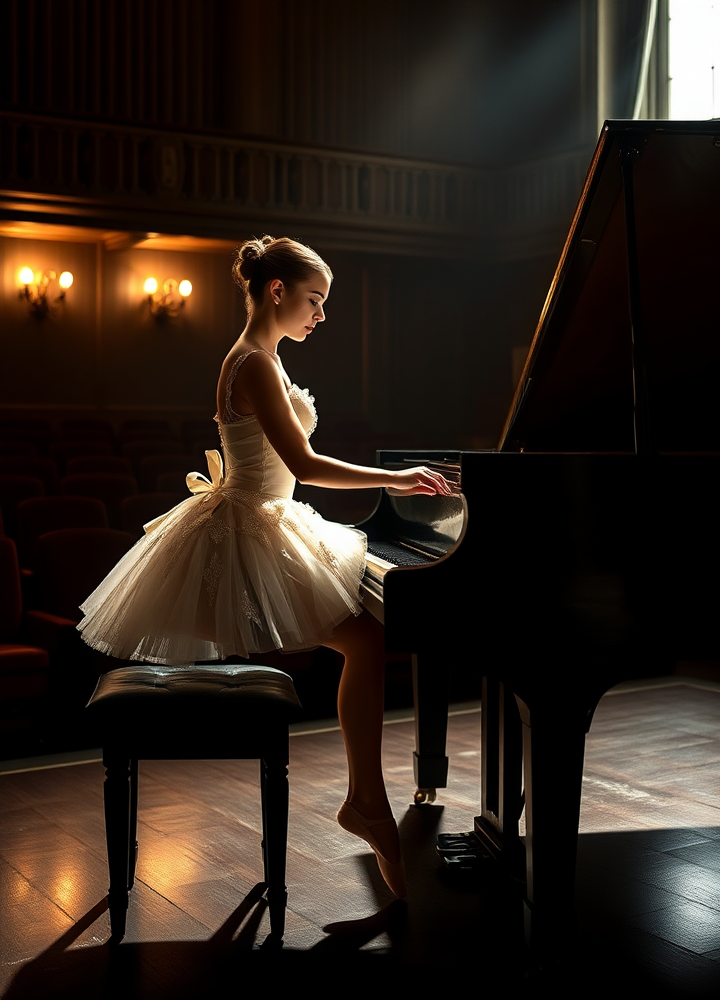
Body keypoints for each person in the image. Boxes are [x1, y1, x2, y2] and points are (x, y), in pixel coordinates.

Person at [78, 234, 451, 901]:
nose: (321, 315)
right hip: (255, 529)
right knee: (365, 640)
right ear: (276, 291)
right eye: (314, 300)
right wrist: (393, 480)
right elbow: (304, 467)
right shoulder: (252, 363)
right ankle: (367, 801)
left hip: (268, 519)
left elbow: (293, 468)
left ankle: (367, 800)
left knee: (365, 640)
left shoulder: (260, 359)